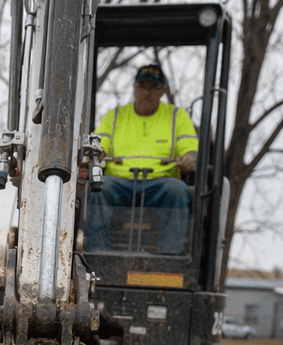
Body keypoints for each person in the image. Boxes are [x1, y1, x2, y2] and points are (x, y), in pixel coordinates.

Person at [84, 64, 199, 255]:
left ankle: (168, 257)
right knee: (97, 188)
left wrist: (189, 159)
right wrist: (99, 152)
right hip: (119, 183)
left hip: (159, 184)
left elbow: (191, 151)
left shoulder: (177, 117)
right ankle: (97, 253)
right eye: (142, 87)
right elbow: (99, 145)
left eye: (153, 88)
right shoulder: (114, 116)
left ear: (163, 91)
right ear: (135, 88)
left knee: (177, 190)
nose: (146, 93)